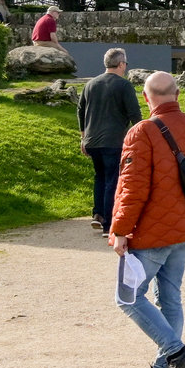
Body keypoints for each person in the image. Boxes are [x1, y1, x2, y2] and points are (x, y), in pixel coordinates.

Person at [108, 70, 185, 368]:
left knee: (128, 297)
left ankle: (174, 350)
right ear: (177, 94)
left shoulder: (141, 132)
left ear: (145, 98)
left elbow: (132, 188)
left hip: (150, 235)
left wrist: (120, 230)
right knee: (170, 298)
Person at [79, 47, 142, 233]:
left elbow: (80, 110)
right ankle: (108, 223)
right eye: (125, 63)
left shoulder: (90, 84)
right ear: (121, 64)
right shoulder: (124, 85)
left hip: (92, 140)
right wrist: (141, 137)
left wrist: (83, 137)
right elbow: (135, 114)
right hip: (113, 141)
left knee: (100, 177)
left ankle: (98, 214)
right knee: (112, 180)